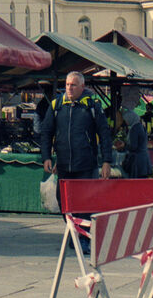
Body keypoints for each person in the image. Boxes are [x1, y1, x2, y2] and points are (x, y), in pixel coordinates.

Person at [40, 72, 113, 252]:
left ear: (82, 86)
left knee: (86, 203)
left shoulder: (92, 105)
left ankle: (84, 238)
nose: (69, 88)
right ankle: (74, 231)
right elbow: (46, 132)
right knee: (64, 202)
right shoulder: (57, 105)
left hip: (86, 164)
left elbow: (104, 133)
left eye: (73, 85)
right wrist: (46, 156)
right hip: (64, 165)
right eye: (67, 85)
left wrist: (106, 161)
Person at [119, 107, 152, 178]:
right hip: (144, 160)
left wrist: (124, 145)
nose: (126, 122)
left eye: (126, 120)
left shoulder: (134, 129)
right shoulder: (141, 126)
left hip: (137, 162)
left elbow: (133, 147)